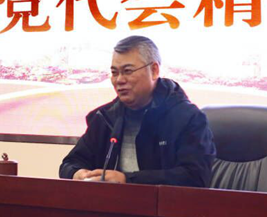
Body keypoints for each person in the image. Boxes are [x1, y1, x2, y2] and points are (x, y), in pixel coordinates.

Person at [59, 36, 215, 187]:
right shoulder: (106, 117)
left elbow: (195, 177)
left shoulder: (187, 117)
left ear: (154, 70)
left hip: (165, 204)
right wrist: (77, 174)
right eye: (114, 73)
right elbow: (70, 163)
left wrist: (128, 180)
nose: (119, 80)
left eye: (127, 71)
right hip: (110, 203)